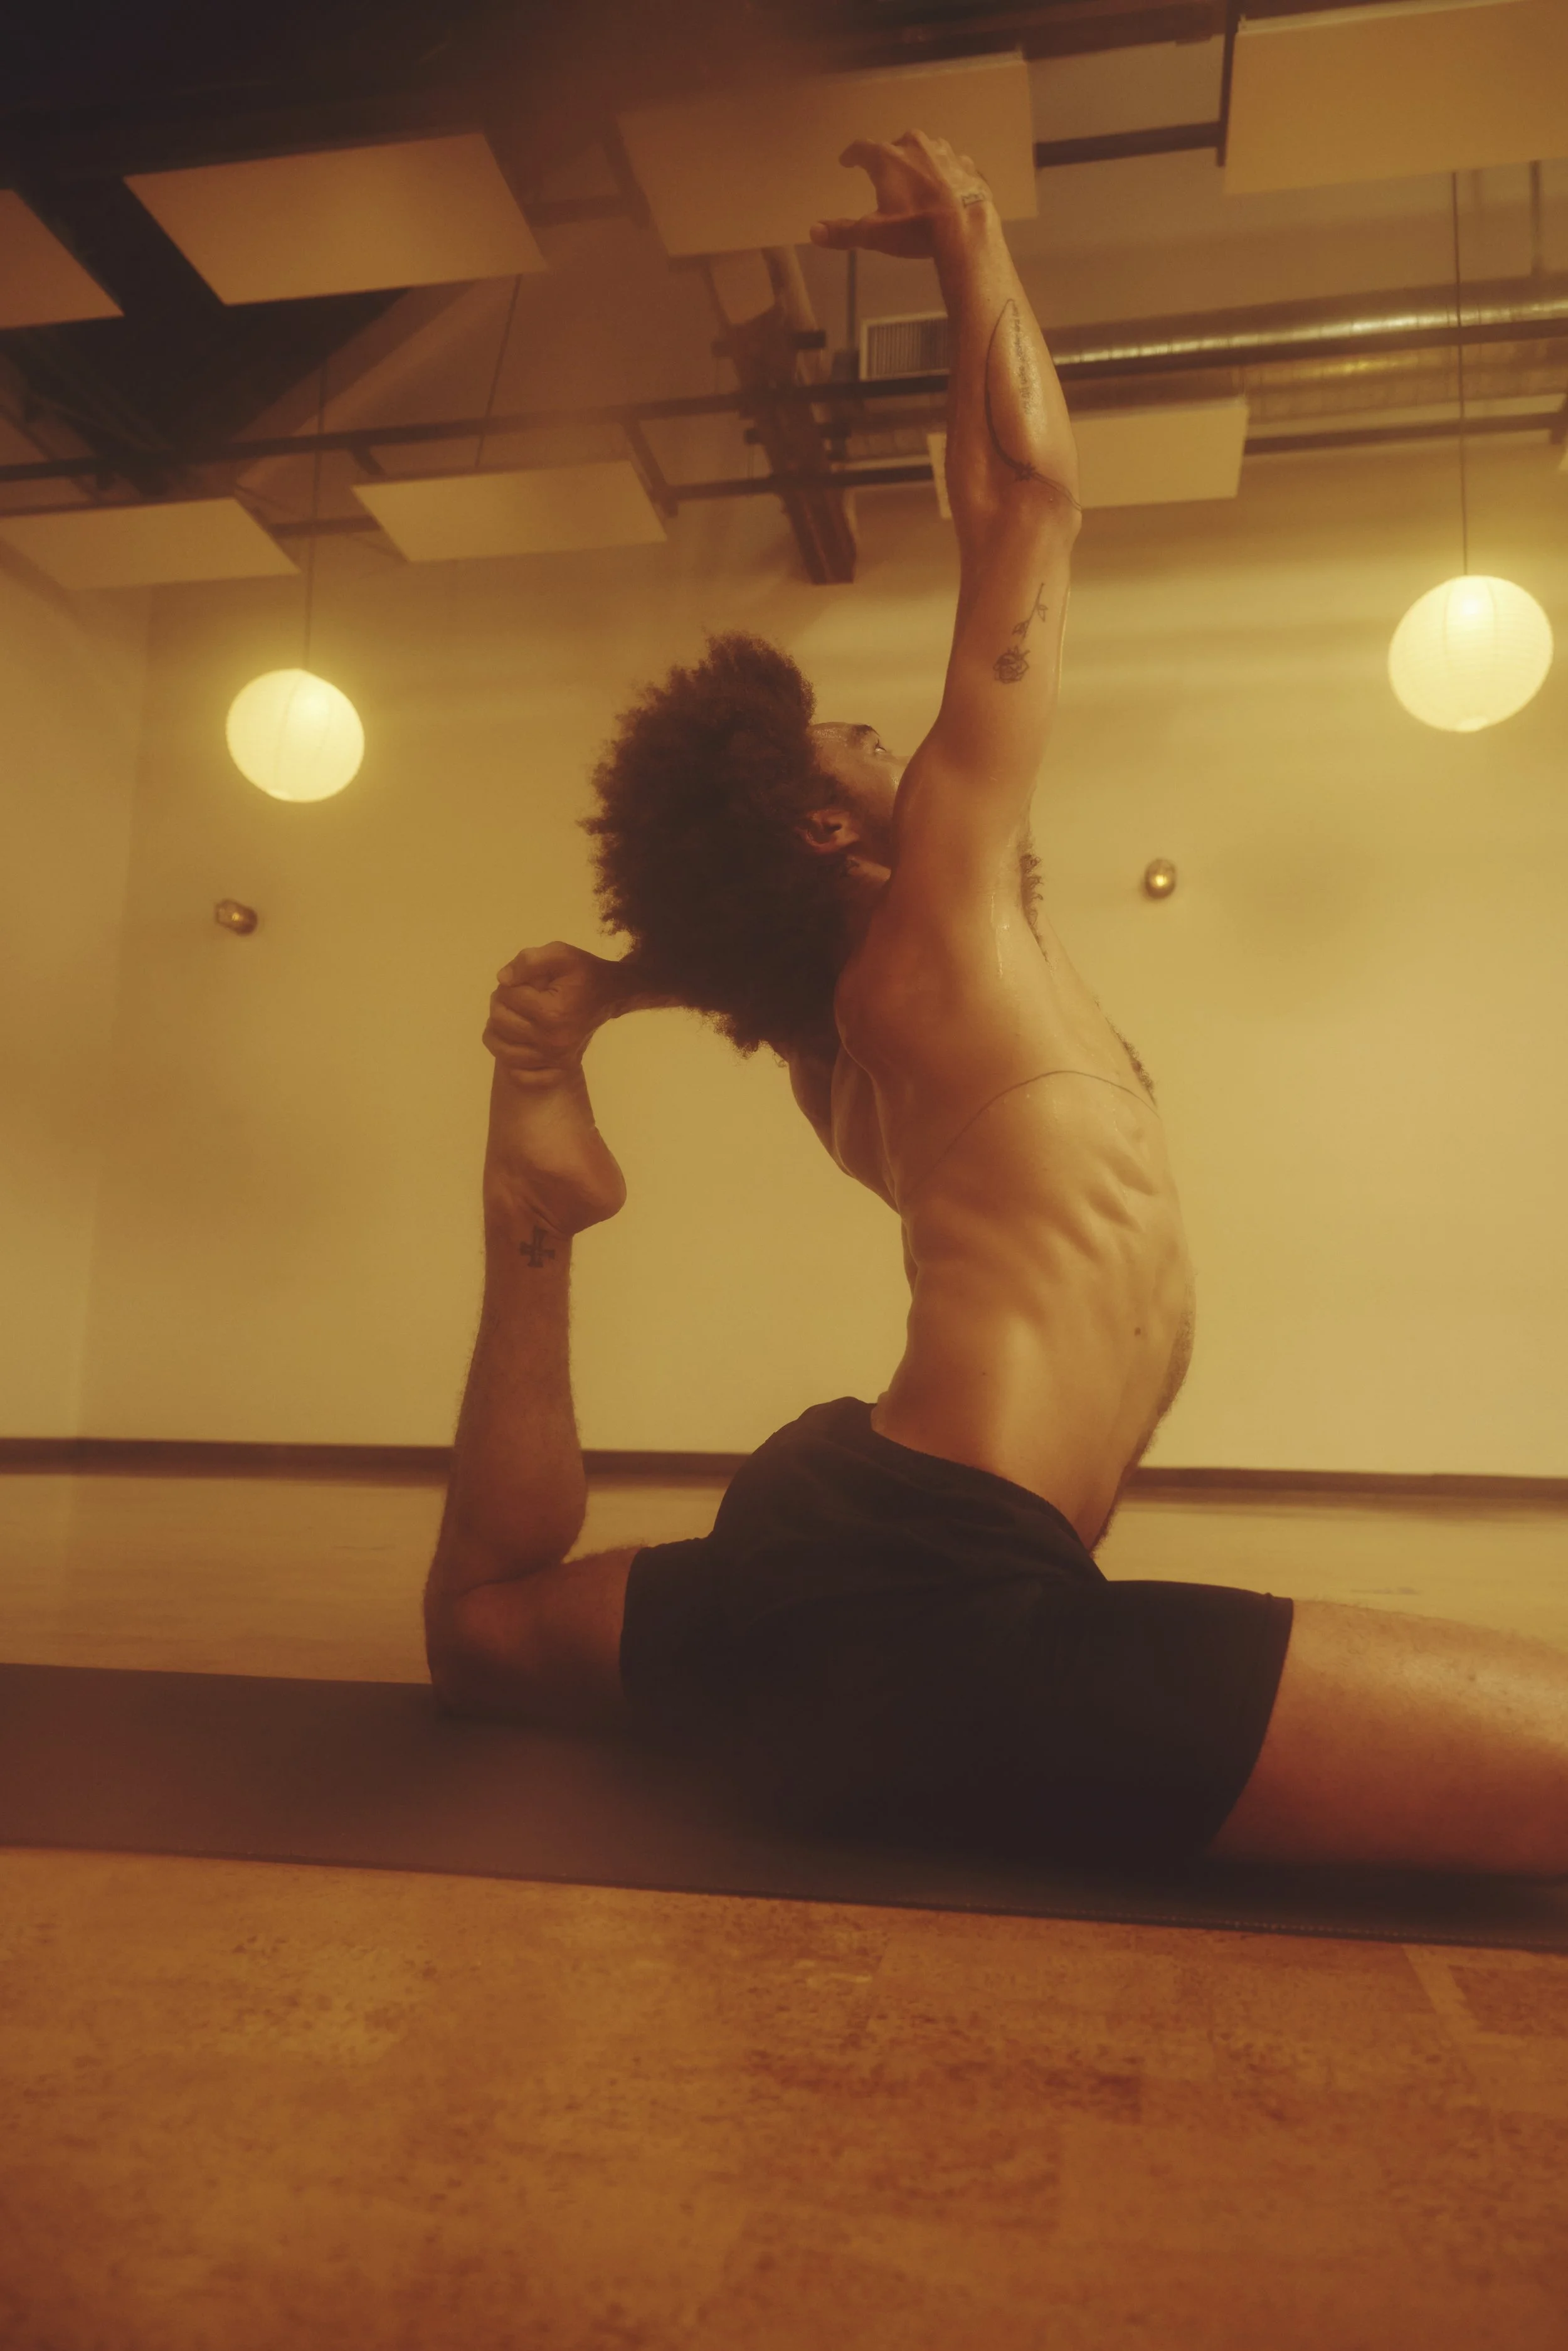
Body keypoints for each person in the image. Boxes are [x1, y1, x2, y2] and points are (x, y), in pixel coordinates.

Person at [422, 133, 1568, 1877]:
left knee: (486, 1630)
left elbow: (745, 958)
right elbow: (1023, 504)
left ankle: (532, 1206)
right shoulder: (932, 932)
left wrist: (612, 992)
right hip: (952, 1604)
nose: (893, 738)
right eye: (855, 743)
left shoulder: (846, 1039)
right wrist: (970, 235)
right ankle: (538, 1192)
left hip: (837, 1571)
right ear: (833, 829)